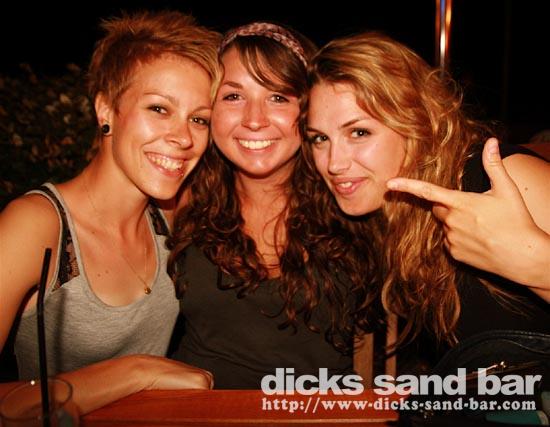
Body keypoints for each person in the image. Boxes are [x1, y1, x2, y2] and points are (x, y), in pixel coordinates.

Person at [0, 10, 221, 413]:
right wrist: (137, 371)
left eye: (199, 119)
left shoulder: (171, 214)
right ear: (106, 110)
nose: (184, 137)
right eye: (159, 109)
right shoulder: (35, 225)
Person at [302, 31, 550, 354]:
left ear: (416, 123)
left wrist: (533, 261)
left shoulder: (501, 179)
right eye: (320, 138)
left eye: (359, 132)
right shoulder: (388, 212)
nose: (334, 163)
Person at [168, 22, 380, 389]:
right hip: (198, 409)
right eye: (233, 96)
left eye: (278, 97)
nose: (254, 120)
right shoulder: (179, 198)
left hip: (319, 411)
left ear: (309, 108)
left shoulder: (355, 199)